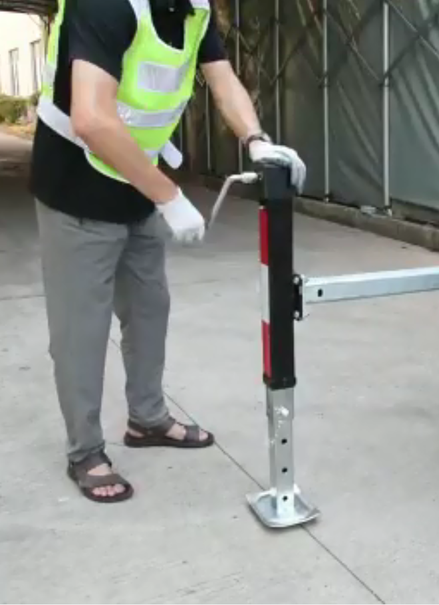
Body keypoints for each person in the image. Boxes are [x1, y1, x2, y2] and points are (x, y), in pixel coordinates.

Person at [30, 0, 306, 503]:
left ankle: (148, 419)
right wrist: (170, 196)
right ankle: (85, 451)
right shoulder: (105, 6)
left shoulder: (194, 9)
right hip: (75, 190)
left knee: (149, 309)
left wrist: (256, 140)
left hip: (136, 185)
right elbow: (91, 119)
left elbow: (222, 79)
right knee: (80, 331)